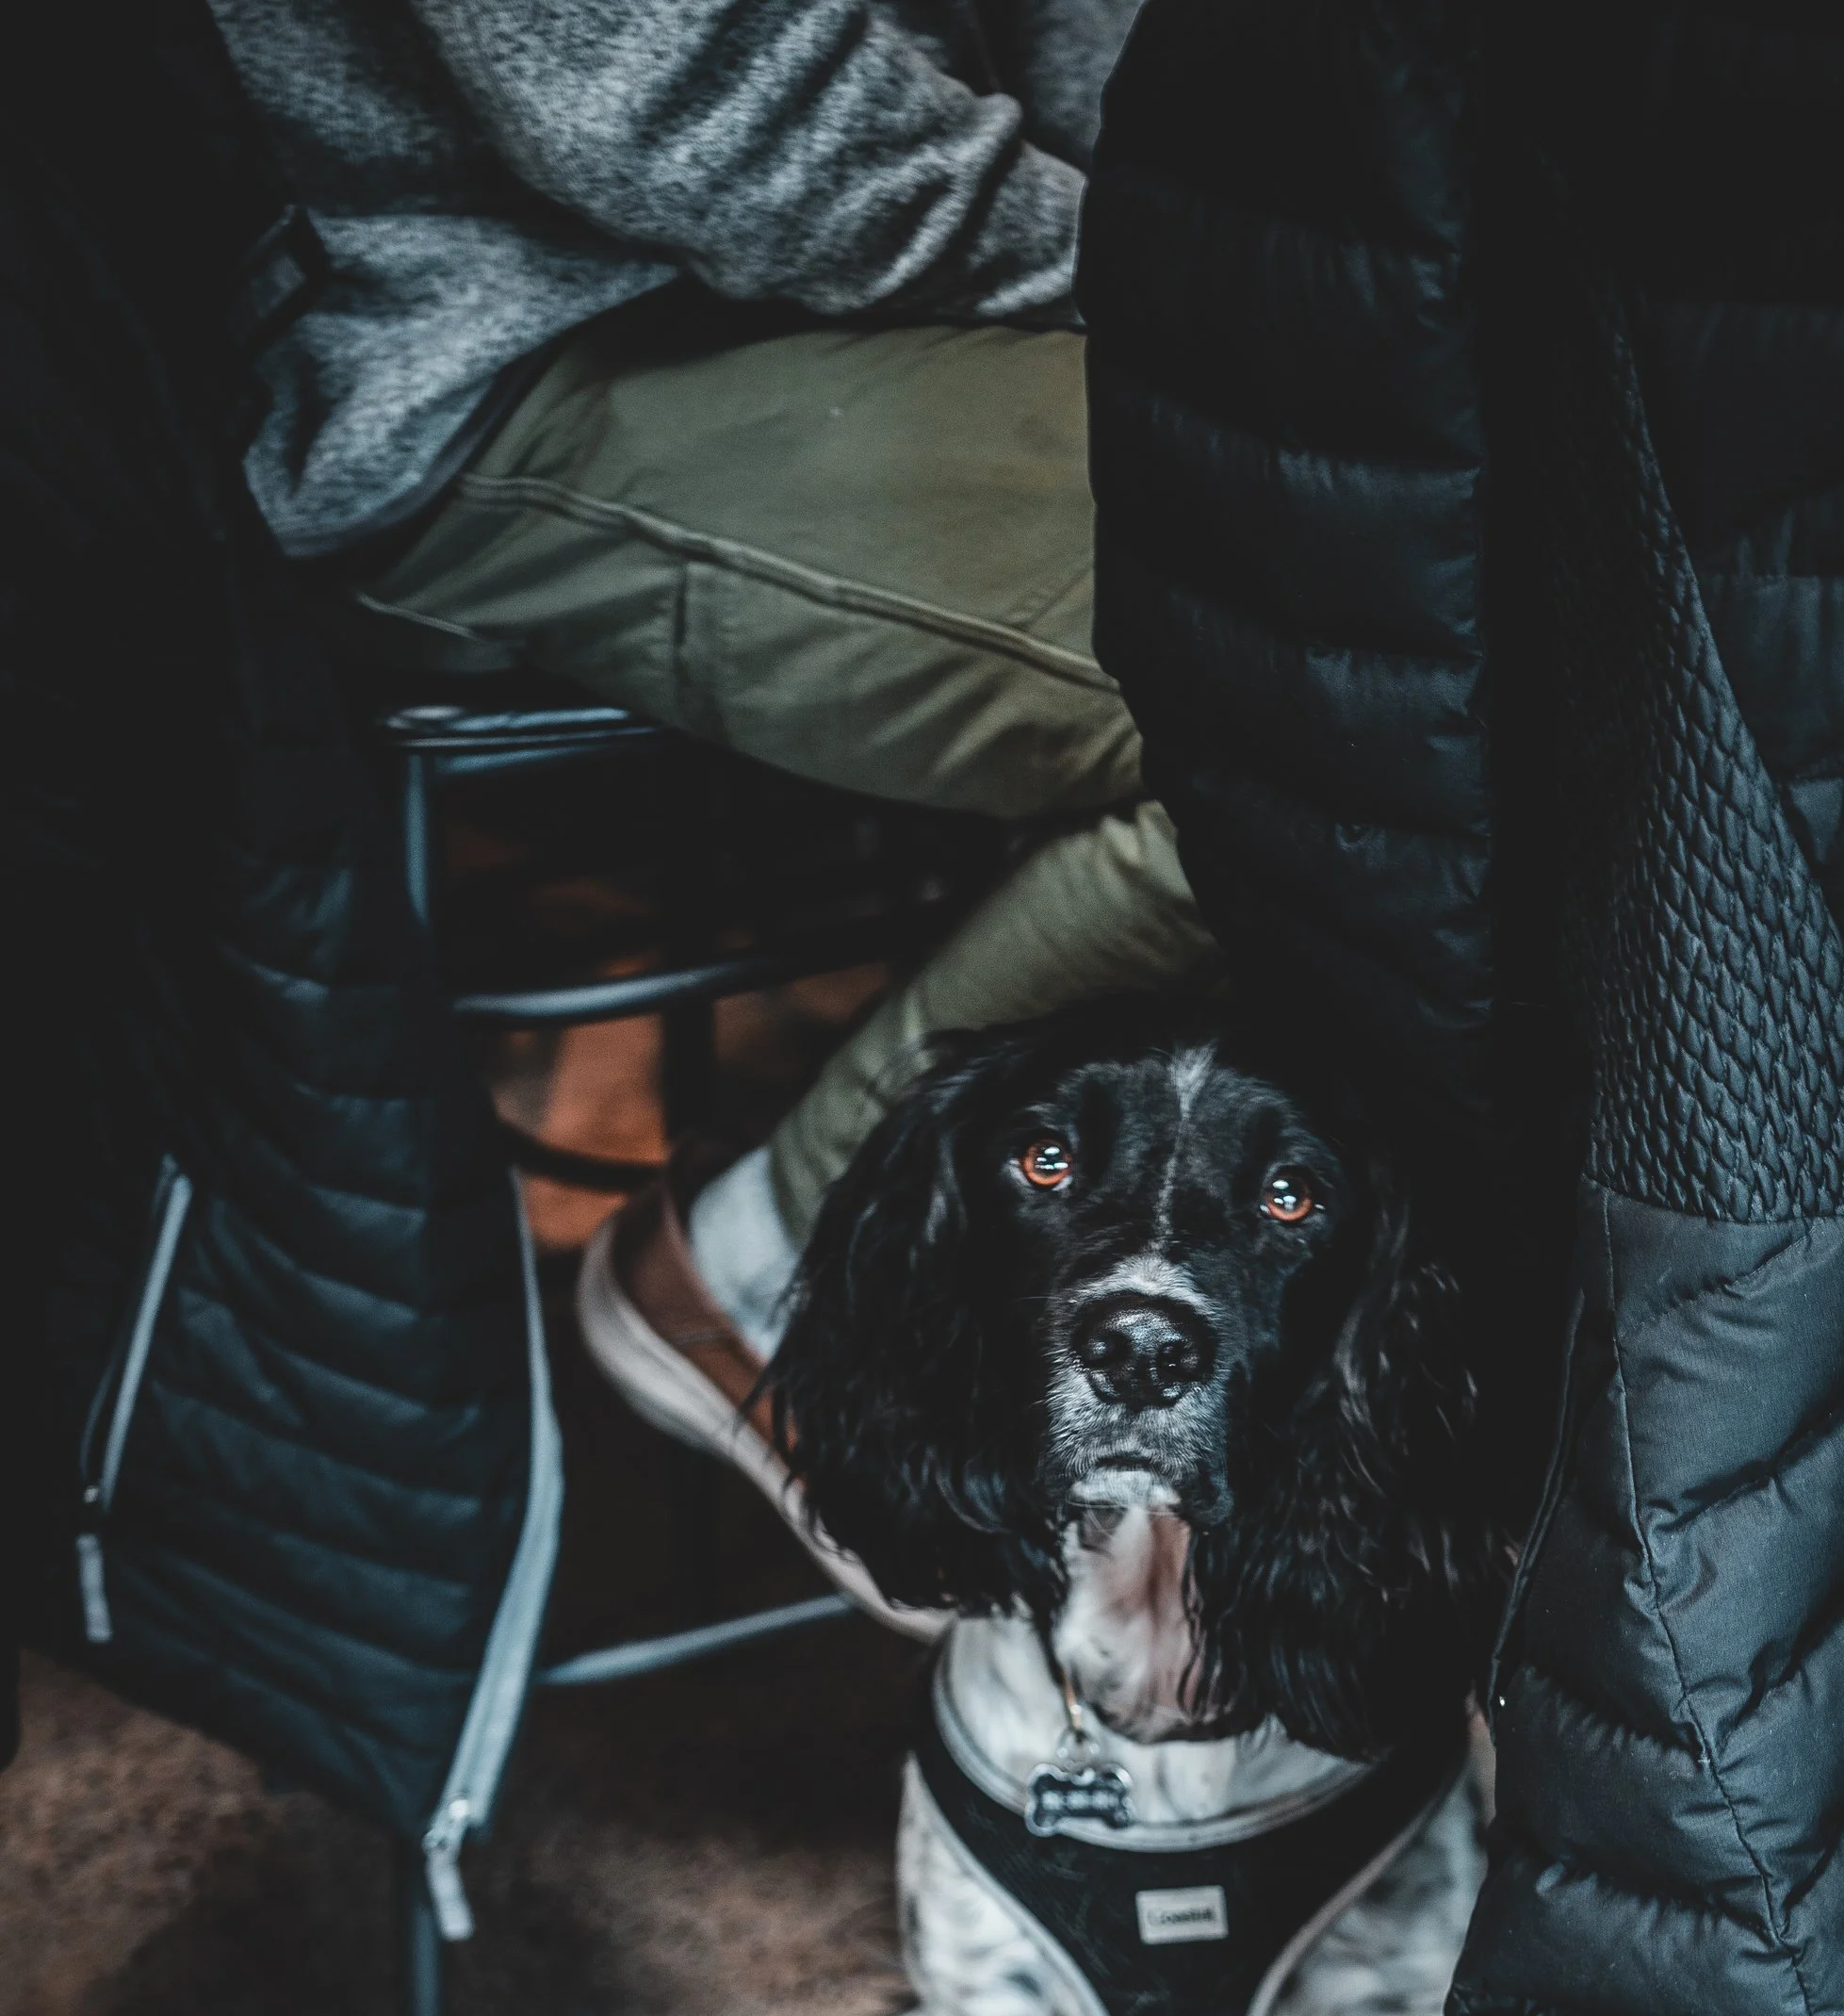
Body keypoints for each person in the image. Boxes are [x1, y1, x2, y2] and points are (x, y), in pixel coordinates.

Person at [206, 0, 1215, 1486]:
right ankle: (775, 1277)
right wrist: (1194, 285)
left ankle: (1248, 1497)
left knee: (1456, 565)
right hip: (493, 332)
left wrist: (1236, 232)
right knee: (1324, 707)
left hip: (877, 261)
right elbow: (677, 100)